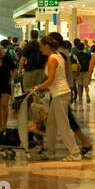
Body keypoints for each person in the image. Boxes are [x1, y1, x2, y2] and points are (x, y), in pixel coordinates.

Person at [31, 33, 81, 161]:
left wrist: (38, 87)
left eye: (42, 46)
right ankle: (50, 151)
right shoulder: (59, 56)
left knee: (63, 125)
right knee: (51, 124)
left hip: (59, 95)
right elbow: (58, 78)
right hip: (60, 93)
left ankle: (75, 153)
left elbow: (51, 80)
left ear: (47, 46)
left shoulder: (53, 58)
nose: (40, 49)